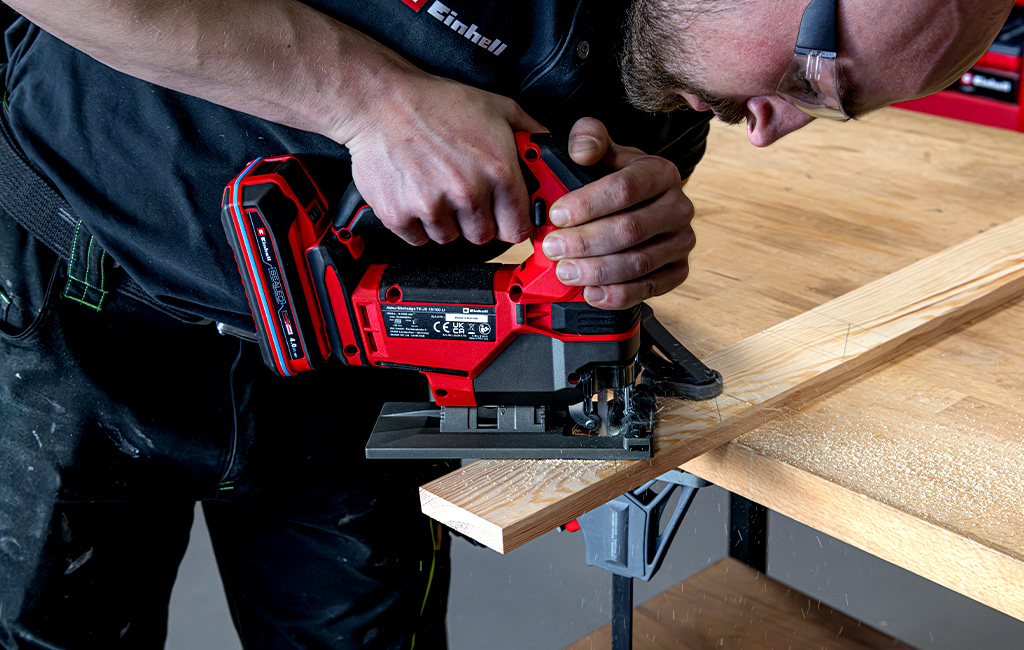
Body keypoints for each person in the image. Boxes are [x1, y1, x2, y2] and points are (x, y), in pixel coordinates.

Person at [0, 0, 1012, 648]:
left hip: (353, 386)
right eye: (808, 82)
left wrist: (619, 229)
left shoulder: (686, 49)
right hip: (83, 321)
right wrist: (367, 99)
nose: (769, 129)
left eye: (830, 111)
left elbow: (560, 199)